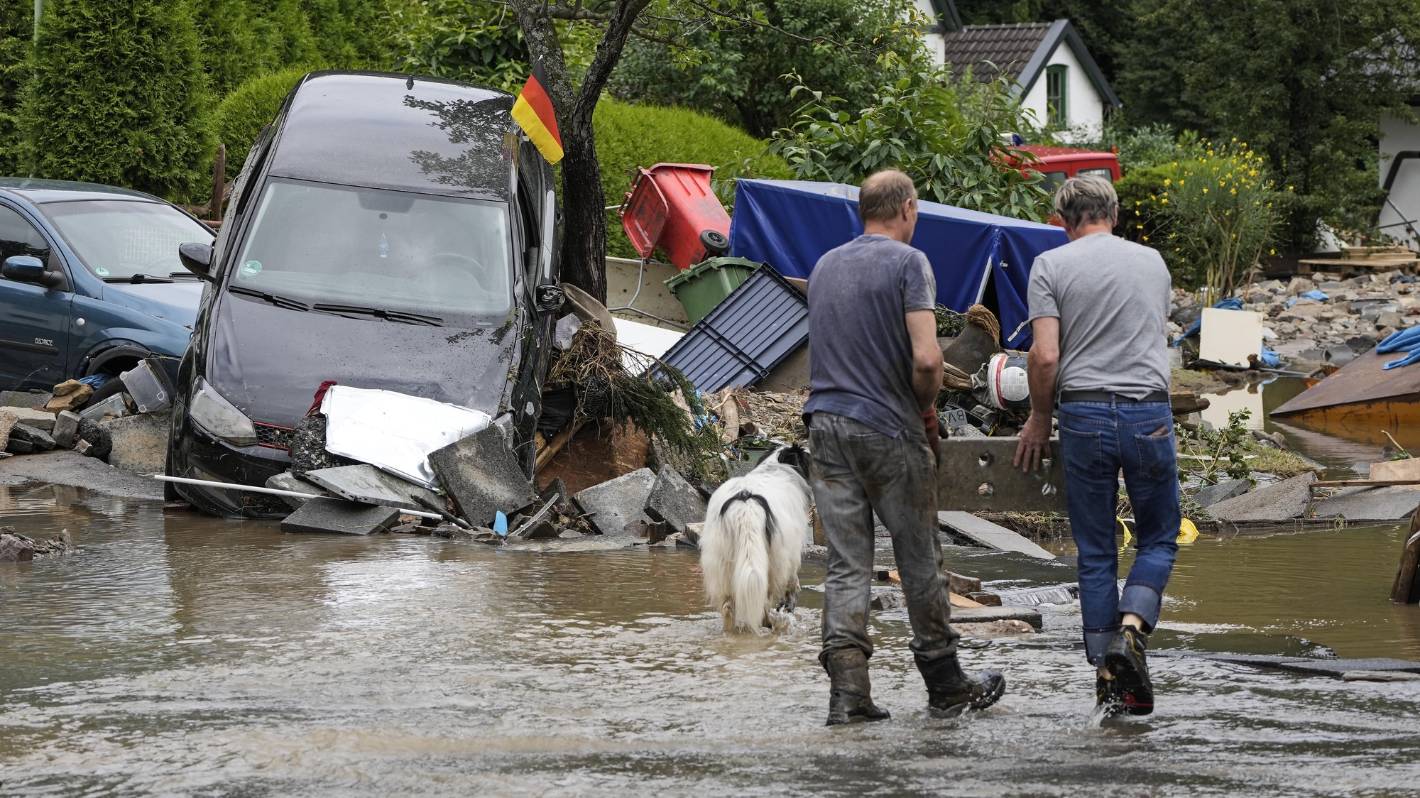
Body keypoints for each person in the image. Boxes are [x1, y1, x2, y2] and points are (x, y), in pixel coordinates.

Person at [805, 169, 1005, 726]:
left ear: (862, 212)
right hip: (888, 428)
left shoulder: (825, 265)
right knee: (919, 557)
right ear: (908, 209)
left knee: (847, 565)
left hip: (824, 426)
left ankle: (848, 696)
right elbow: (926, 359)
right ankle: (945, 685)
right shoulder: (909, 263)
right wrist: (926, 410)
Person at [1013, 175, 1178, 716]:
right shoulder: (1152, 262)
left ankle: (1108, 674)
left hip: (1083, 413)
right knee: (1158, 537)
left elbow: (1044, 357)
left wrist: (1039, 417)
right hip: (1148, 412)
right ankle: (1131, 631)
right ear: (1114, 212)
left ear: (1062, 219)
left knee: (1097, 549)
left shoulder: (1051, 267)